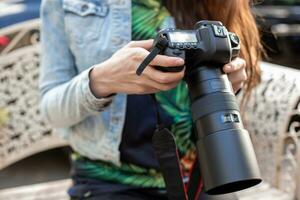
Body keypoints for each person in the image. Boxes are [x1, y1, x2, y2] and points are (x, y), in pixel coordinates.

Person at [39, 0, 262, 199]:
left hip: (206, 170)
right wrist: (100, 81)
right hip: (110, 180)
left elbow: (239, 75)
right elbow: (51, 110)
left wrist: (230, 84)